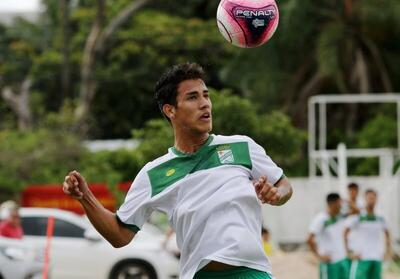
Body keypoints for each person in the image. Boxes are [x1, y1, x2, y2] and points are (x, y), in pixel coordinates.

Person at [62, 62, 293, 279]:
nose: (205, 104)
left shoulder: (241, 146)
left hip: (251, 273)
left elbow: (284, 185)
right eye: (192, 97)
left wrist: (277, 195)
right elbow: (119, 235)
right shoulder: (154, 174)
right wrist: (86, 198)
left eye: (206, 95)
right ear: (170, 110)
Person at [344, 189, 391, 279]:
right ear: (365, 199)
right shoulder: (358, 215)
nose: (371, 200)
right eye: (369, 198)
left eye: (373, 198)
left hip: (376, 257)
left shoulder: (380, 217)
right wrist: (349, 252)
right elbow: (344, 233)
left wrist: (388, 251)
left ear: (376, 199)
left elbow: (387, 233)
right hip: (361, 257)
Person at [307, 193, 349, 279]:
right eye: (339, 203)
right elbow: (309, 239)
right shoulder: (321, 219)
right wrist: (319, 256)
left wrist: (348, 201)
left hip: (342, 260)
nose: (341, 205)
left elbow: (357, 212)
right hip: (329, 263)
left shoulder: (340, 216)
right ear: (332, 204)